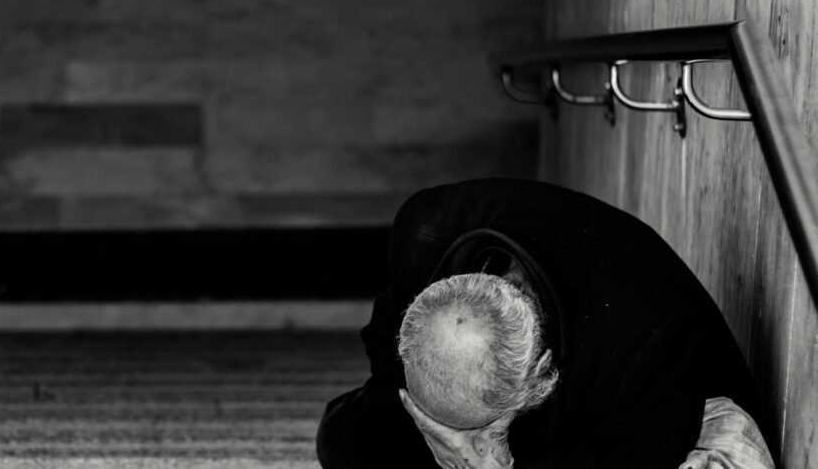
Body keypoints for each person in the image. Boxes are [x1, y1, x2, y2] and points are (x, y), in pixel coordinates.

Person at [316, 178, 772, 468]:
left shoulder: (650, 344)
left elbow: (630, 457)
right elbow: (381, 345)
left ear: (540, 377)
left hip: (629, 433)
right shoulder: (427, 230)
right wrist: (430, 429)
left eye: (477, 431)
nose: (455, 444)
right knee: (346, 440)